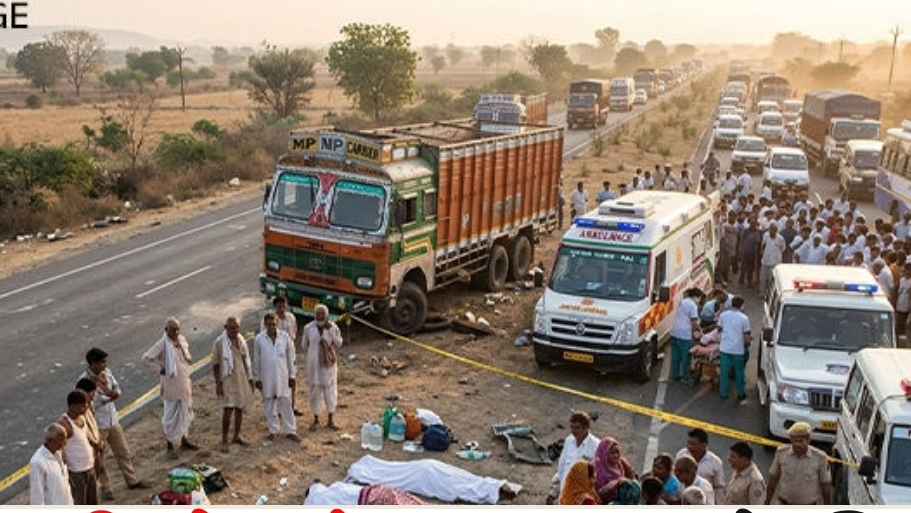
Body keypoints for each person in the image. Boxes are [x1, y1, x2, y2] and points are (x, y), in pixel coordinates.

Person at [79, 348, 147, 495]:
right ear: (93, 364)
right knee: (99, 458)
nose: (105, 365)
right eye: (102, 362)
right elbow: (92, 402)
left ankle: (131, 480)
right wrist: (111, 396)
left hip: (112, 419)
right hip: (98, 424)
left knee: (123, 451)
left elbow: (117, 389)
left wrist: (110, 394)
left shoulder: (106, 373)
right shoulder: (84, 381)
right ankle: (106, 488)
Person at [141, 317, 198, 460]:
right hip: (171, 387)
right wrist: (160, 369)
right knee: (170, 417)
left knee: (185, 413)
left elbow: (187, 358)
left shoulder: (181, 341)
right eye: (173, 329)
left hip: (184, 384)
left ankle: (184, 440)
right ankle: (170, 446)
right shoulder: (162, 344)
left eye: (178, 329)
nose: (176, 332)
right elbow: (146, 359)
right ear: (166, 330)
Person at [253, 312, 301, 442]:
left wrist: (292, 375)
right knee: (269, 403)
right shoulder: (259, 339)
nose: (272, 327)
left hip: (283, 375)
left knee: (285, 402)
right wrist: (257, 378)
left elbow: (291, 358)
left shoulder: (285, 337)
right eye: (269, 325)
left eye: (274, 324)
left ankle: (290, 430)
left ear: (277, 324)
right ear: (265, 325)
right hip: (266, 376)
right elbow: (256, 360)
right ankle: (273, 430)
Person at [212, 316, 255, 452]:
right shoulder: (219, 343)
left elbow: (245, 359)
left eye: (236, 327)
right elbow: (215, 365)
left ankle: (236, 435)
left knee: (239, 408)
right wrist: (218, 383)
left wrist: (250, 377)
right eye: (231, 328)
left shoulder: (241, 340)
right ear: (225, 328)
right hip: (227, 379)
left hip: (241, 377)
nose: (234, 330)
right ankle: (224, 439)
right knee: (228, 409)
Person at [765, 422, 832, 505]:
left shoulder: (820, 458)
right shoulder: (781, 453)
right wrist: (766, 503)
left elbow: (826, 488)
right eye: (795, 441)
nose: (797, 444)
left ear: (808, 440)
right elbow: (772, 481)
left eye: (801, 441)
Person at [302, 304, 344, 432]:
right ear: (314, 315)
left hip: (328, 366)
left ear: (327, 315)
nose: (320, 316)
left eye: (322, 314)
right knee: (315, 392)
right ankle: (316, 419)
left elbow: (339, 343)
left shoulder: (333, 327)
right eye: (318, 314)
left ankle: (331, 420)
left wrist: (330, 330)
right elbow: (304, 346)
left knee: (330, 391)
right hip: (314, 366)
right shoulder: (308, 328)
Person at [547, 411, 599, 504]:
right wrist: (553, 492)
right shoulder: (569, 440)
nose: (573, 431)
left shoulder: (596, 445)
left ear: (586, 427)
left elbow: (596, 476)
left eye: (577, 428)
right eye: (572, 427)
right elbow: (561, 468)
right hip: (565, 497)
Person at [58, 389, 98, 505]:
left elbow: (86, 434)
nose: (86, 407)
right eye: (83, 405)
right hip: (76, 471)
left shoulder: (82, 418)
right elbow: (60, 449)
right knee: (80, 502)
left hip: (89, 467)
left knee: (92, 501)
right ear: (73, 406)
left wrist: (96, 444)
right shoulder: (64, 424)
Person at [73, 379, 107, 501]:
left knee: (93, 493)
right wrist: (96, 443)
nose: (93, 398)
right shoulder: (78, 413)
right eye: (91, 394)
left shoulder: (88, 407)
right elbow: (85, 432)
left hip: (93, 456)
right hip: (83, 462)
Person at [269, 296, 303, 416]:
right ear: (275, 307)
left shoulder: (291, 317)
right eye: (279, 307)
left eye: (284, 306)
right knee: (278, 381)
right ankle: (278, 409)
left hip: (290, 353)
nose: (282, 309)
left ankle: (291, 406)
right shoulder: (271, 319)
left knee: (292, 380)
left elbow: (294, 333)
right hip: (277, 355)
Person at [716, 295, 752, 401]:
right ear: (741, 305)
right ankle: (740, 393)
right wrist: (747, 345)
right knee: (739, 372)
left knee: (724, 372)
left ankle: (723, 393)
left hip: (725, 348)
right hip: (738, 349)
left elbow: (718, 329)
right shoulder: (744, 318)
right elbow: (746, 336)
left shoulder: (723, 315)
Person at [29, 423, 73, 505]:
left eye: (65, 440)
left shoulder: (58, 453)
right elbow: (37, 496)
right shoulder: (38, 462)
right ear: (50, 441)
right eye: (61, 441)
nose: (64, 444)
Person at [676, 428, 725, 497]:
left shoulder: (716, 462)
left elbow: (719, 487)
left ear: (704, 445)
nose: (689, 447)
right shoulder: (681, 454)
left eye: (693, 444)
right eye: (688, 442)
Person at [670, 287, 703, 384]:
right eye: (699, 297)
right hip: (684, 334)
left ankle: (675, 375)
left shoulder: (683, 302)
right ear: (696, 296)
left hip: (675, 331)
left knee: (676, 356)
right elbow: (694, 322)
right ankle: (686, 378)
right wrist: (700, 331)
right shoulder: (692, 305)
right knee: (686, 357)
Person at [593, 437, 638, 504]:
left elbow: (633, 478)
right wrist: (616, 483)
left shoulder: (622, 464)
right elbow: (598, 492)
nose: (616, 455)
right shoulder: (597, 468)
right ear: (604, 454)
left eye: (617, 452)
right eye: (612, 453)